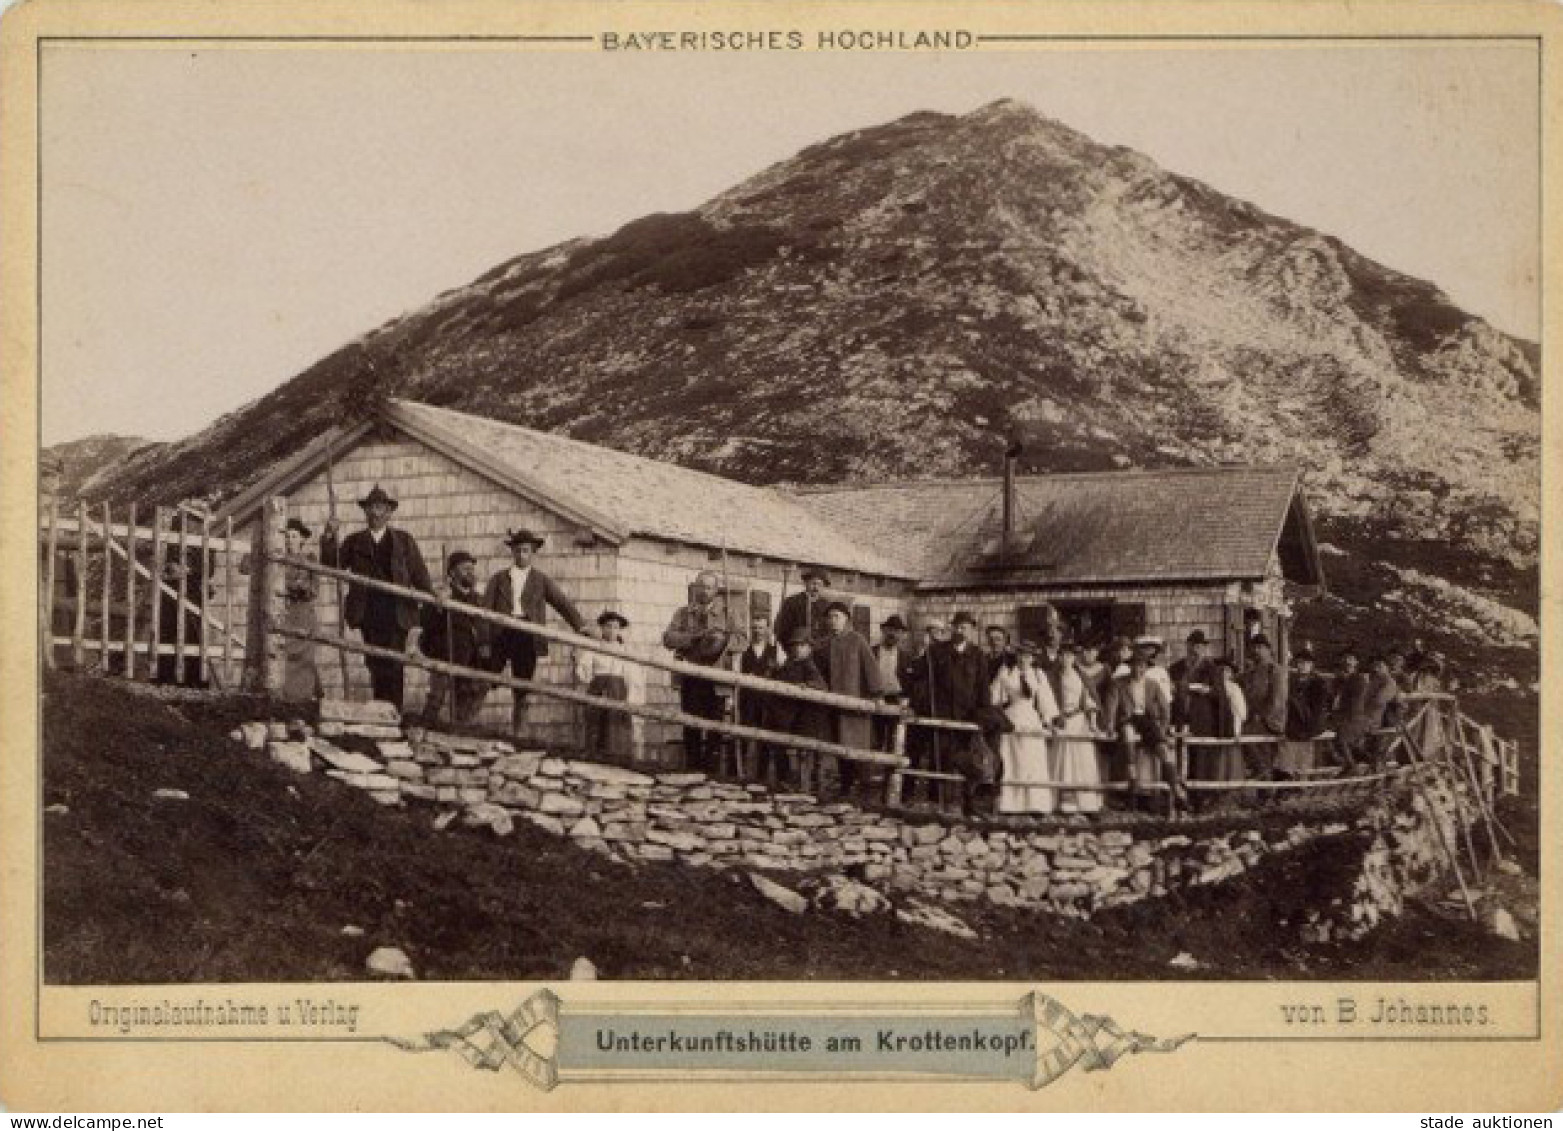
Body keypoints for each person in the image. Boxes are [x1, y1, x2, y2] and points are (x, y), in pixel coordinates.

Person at [321, 485, 432, 709]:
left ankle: (394, 714)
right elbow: (332, 565)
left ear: (389, 513)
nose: (375, 512)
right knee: (374, 662)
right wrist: (330, 536)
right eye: (371, 507)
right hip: (368, 612)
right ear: (365, 512)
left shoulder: (403, 541)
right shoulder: (355, 542)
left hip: (397, 612)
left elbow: (420, 575)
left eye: (380, 507)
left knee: (394, 664)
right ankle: (380, 713)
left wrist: (430, 601)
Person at [482, 528, 588, 735]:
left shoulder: (540, 580)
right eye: (518, 550)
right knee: (485, 678)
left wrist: (581, 626)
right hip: (501, 632)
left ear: (532, 553)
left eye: (526, 551)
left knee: (522, 689)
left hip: (526, 635)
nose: (522, 555)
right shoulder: (499, 579)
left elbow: (562, 603)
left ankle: (518, 734)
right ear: (512, 552)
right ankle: (465, 721)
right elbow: (484, 610)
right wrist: (484, 642)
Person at [662, 569, 746, 773]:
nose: (704, 591)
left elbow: (743, 640)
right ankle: (693, 771)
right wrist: (692, 638)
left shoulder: (729, 614)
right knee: (691, 725)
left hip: (717, 679)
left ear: (716, 590)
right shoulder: (684, 613)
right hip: (690, 677)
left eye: (709, 587)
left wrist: (720, 642)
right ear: (695, 587)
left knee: (715, 727)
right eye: (701, 586)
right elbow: (667, 638)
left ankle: (712, 773)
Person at [817, 601, 884, 800]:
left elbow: (871, 669)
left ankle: (865, 789)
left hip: (856, 706)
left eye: (837, 616)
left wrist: (877, 694)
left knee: (858, 748)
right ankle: (845, 787)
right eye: (830, 617)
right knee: (840, 748)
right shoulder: (828, 643)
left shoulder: (857, 640)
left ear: (846, 619)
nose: (833, 621)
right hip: (836, 706)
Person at [417, 550, 491, 727]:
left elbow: (484, 628)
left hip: (472, 658)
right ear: (451, 573)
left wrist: (484, 645)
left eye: (472, 569)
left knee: (473, 694)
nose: (470, 573)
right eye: (465, 569)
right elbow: (424, 623)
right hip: (445, 653)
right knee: (436, 698)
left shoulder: (478, 600)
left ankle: (460, 728)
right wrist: (439, 606)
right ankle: (425, 729)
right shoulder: (442, 595)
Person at [990, 642, 1060, 814]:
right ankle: (1011, 804)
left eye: (1027, 656)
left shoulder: (1037, 674)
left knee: (1032, 759)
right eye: (1021, 655)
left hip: (1030, 717)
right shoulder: (1006, 672)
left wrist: (1048, 721)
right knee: (1012, 759)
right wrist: (1000, 713)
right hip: (1011, 718)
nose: (1023, 659)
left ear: (1033, 658)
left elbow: (1045, 700)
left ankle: (1035, 804)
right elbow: (994, 698)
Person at [933, 611, 990, 814]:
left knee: (969, 760)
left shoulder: (977, 655)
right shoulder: (939, 651)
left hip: (968, 716)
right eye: (957, 626)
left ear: (972, 630)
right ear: (952, 628)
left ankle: (969, 802)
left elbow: (983, 687)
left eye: (965, 627)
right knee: (945, 756)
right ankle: (946, 802)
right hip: (944, 715)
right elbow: (925, 677)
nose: (960, 631)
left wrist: (982, 713)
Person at [1103, 648, 1175, 809]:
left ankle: (1175, 788)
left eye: (1142, 666)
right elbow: (1111, 707)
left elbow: (1165, 708)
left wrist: (1163, 727)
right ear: (1130, 667)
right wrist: (1109, 725)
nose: (1138, 670)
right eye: (1135, 666)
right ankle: (1133, 779)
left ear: (1146, 668)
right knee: (1128, 735)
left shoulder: (1153, 685)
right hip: (1128, 720)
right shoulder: (1119, 683)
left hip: (1147, 721)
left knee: (1162, 748)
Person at [574, 611, 644, 765]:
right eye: (608, 627)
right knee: (596, 721)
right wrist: (591, 680)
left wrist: (631, 697)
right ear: (602, 628)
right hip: (598, 686)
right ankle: (595, 756)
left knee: (616, 722)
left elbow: (632, 675)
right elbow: (583, 670)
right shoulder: (594, 647)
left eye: (615, 627)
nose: (612, 631)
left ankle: (617, 757)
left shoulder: (625, 650)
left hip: (618, 689)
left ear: (619, 630)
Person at [1051, 643, 1104, 815]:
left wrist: (1094, 722)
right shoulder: (1054, 678)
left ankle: (1086, 802)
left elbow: (1089, 700)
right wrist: (1054, 718)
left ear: (1074, 658)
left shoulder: (1081, 677)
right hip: (1061, 721)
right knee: (1064, 759)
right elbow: (1047, 700)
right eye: (1063, 656)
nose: (1066, 659)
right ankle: (1065, 802)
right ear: (1059, 658)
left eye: (1069, 656)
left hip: (1079, 721)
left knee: (1083, 761)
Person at [278, 518, 322, 703]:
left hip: (303, 613)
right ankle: (287, 698)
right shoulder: (278, 560)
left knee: (304, 657)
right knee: (285, 655)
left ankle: (304, 698)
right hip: (285, 613)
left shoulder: (310, 560)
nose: (289, 540)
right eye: (286, 536)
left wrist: (301, 587)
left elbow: (314, 590)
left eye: (294, 536)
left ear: (302, 539)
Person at [738, 611, 784, 781]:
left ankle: (761, 777)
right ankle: (739, 775)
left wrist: (776, 669)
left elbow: (782, 673)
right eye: (754, 628)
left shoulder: (775, 651)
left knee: (765, 740)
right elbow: (736, 676)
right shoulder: (743, 651)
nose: (758, 631)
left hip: (767, 703)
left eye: (761, 628)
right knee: (743, 737)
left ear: (768, 629)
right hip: (747, 701)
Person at [1239, 633, 1287, 779]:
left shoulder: (1275, 671)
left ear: (1268, 650)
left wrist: (1263, 717)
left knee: (1250, 740)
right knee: (1260, 752)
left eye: (1260, 647)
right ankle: (1264, 786)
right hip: (1253, 719)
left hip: (1270, 721)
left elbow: (1278, 699)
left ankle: (1263, 776)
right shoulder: (1251, 672)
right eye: (1254, 647)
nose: (1256, 650)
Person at [1332, 649, 1375, 769]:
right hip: (1342, 716)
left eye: (1351, 659)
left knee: (1342, 740)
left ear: (1356, 663)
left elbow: (1356, 701)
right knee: (1339, 742)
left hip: (1355, 717)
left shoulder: (1359, 679)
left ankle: (1350, 766)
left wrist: (1345, 718)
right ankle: (1371, 760)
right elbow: (1334, 698)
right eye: (1345, 659)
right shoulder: (1338, 680)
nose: (1347, 662)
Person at [773, 567, 833, 653]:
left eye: (820, 584)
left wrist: (820, 646)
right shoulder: (792, 602)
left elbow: (830, 632)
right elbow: (781, 629)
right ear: (806, 583)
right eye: (813, 583)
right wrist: (791, 648)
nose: (816, 587)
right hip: (796, 651)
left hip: (820, 653)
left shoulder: (827, 606)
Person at [872, 615, 909, 752]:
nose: (893, 634)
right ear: (883, 631)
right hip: (876, 700)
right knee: (875, 739)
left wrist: (905, 699)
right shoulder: (872, 652)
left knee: (894, 741)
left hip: (896, 701)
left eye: (898, 631)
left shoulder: (905, 657)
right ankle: (873, 771)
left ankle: (890, 772)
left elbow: (908, 682)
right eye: (890, 630)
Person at [1135, 636, 1174, 703]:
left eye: (1152, 648)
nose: (1149, 652)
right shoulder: (1125, 668)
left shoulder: (1160, 671)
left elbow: (1166, 696)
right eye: (1145, 648)